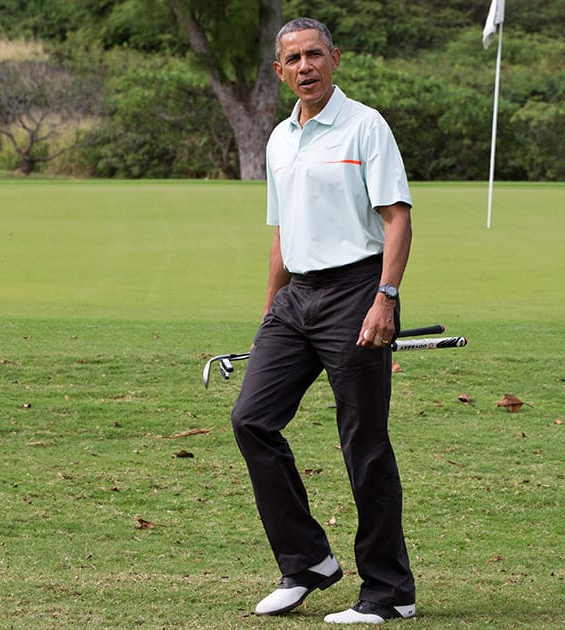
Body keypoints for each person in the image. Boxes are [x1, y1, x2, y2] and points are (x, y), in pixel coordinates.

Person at [229, 17, 416, 625]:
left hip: (357, 290)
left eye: (315, 54)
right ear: (280, 70)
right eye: (293, 59)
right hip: (296, 298)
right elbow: (284, 233)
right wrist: (267, 315)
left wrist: (385, 296)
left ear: (334, 58)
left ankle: (390, 592)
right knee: (251, 419)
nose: (305, 66)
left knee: (363, 441)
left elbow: (396, 219)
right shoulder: (280, 139)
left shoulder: (365, 125)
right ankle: (308, 562)